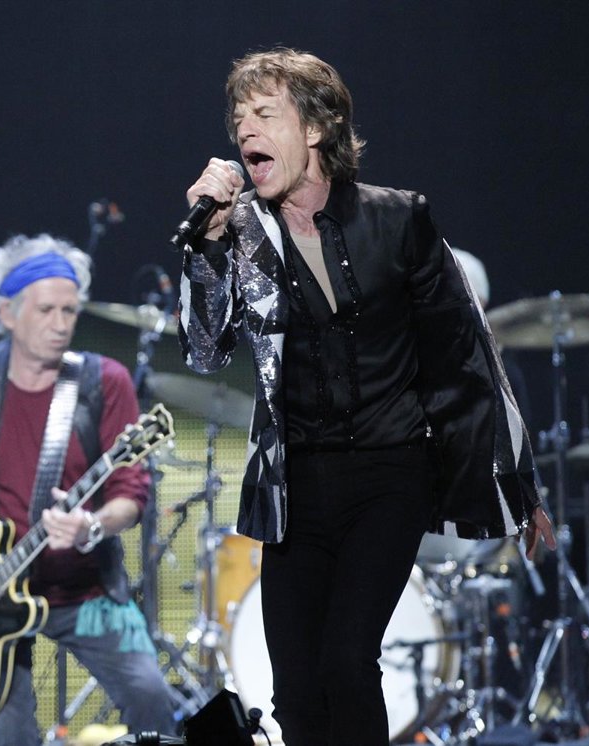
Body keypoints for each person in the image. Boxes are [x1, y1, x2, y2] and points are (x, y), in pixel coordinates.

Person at [174, 48, 555, 744]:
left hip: (390, 472)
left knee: (347, 664)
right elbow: (204, 350)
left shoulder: (398, 218)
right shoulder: (243, 233)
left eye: (265, 113)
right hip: (295, 484)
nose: (245, 128)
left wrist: (517, 482)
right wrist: (208, 245)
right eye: (239, 118)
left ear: (316, 128)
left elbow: (464, 355)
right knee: (294, 691)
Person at [0, 234, 176, 744]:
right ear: (7, 312)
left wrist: (92, 525)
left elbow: (131, 494)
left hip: (86, 592)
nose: (61, 324)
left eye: (69, 311)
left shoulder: (106, 382)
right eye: (46, 310)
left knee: (151, 698)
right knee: (12, 730)